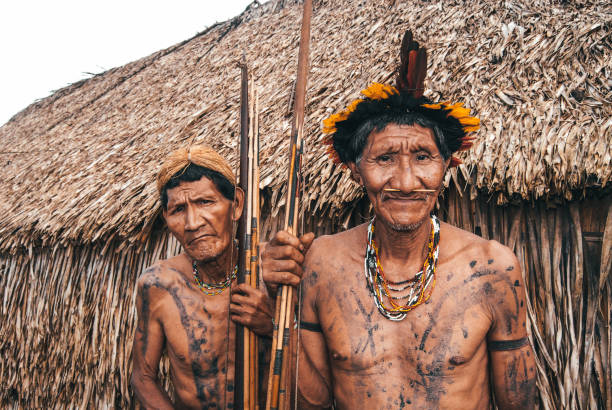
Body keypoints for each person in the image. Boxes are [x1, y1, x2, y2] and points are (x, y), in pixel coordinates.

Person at [266, 31, 536, 409]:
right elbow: (310, 401)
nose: (407, 182)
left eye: (423, 157)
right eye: (385, 158)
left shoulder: (492, 268)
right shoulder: (322, 263)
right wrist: (278, 310)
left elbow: (519, 404)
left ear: (447, 166)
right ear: (355, 171)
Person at [131, 145, 276, 409]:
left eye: (205, 202)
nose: (192, 223)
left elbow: (324, 363)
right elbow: (143, 377)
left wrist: (273, 326)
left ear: (237, 205)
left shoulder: (274, 270)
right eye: (178, 210)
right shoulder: (158, 284)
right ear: (166, 218)